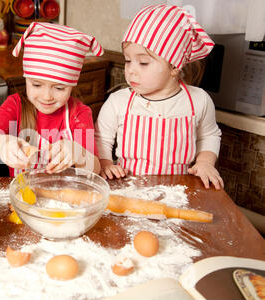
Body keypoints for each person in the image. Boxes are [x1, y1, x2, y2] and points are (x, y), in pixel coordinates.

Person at [95, 5, 224, 190]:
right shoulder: (118, 101)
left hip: (179, 189)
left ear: (174, 66)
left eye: (143, 62)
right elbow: (101, 138)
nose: (131, 70)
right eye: (128, 60)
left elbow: (210, 135)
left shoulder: (198, 101)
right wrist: (106, 163)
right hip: (129, 187)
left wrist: (205, 162)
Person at [0, 22, 103, 177]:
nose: (47, 96)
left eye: (59, 88)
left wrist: (78, 153)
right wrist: (2, 143)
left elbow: (95, 169)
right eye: (37, 85)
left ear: (71, 85)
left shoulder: (79, 113)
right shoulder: (15, 105)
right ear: (26, 79)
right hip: (24, 196)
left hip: (65, 196)